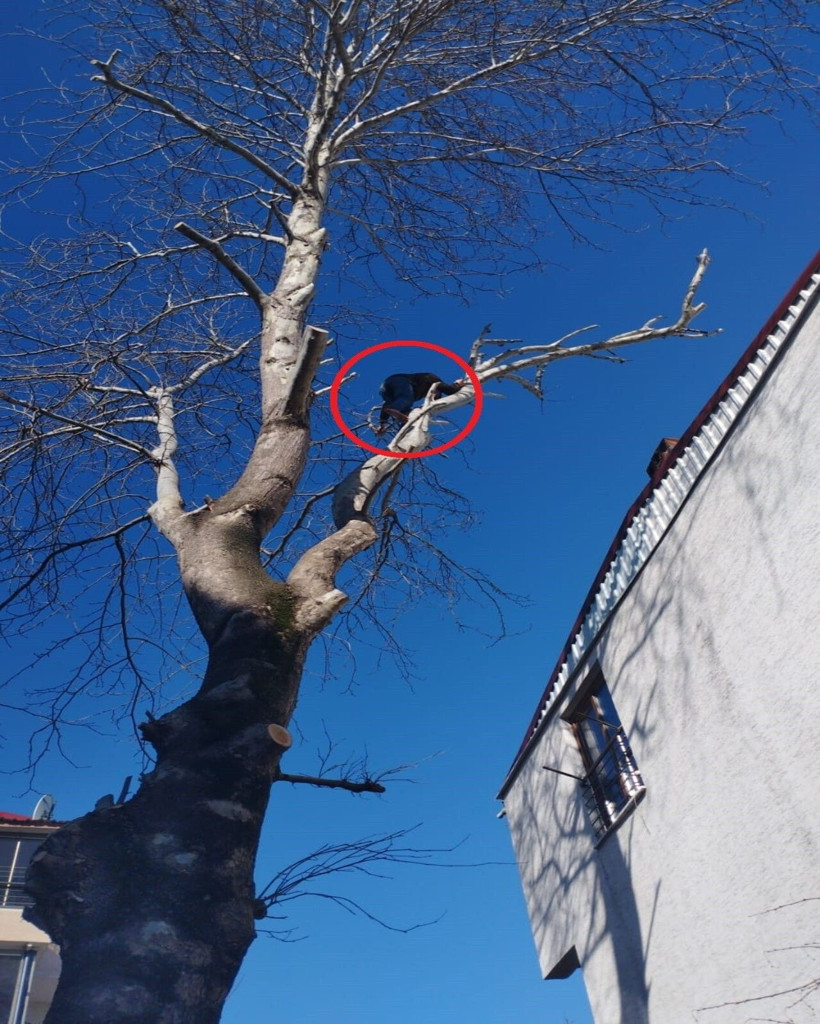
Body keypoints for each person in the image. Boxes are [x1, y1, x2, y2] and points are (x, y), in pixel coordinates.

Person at [376, 372, 461, 433]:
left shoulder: (418, 393)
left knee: (405, 410)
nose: (432, 396)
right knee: (406, 399)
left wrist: (382, 423)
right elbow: (450, 390)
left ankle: (404, 430)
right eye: (435, 395)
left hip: (385, 389)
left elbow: (386, 404)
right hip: (400, 381)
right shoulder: (432, 379)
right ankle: (394, 409)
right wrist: (458, 384)